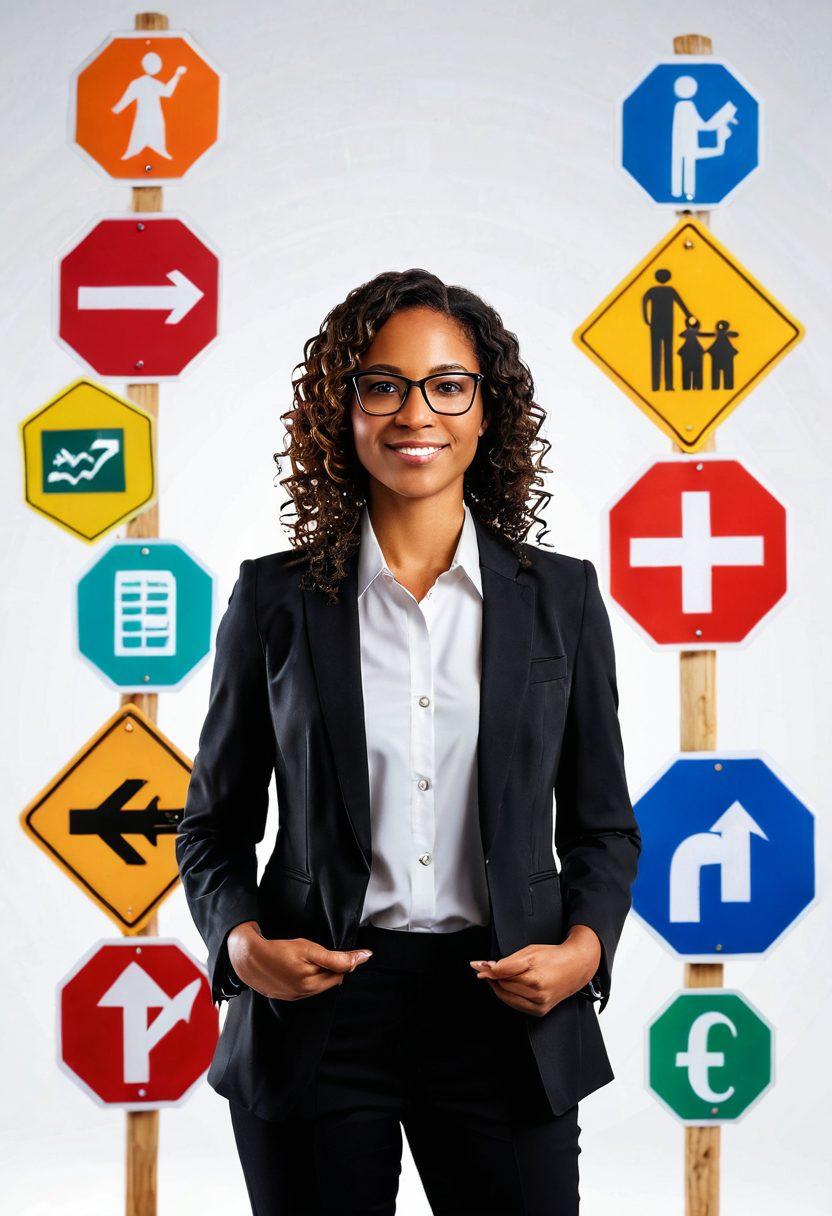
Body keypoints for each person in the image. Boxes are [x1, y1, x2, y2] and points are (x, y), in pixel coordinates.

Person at [176, 269, 641, 1215]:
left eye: (447, 385)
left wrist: (585, 952)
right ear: (342, 413)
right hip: (318, 1016)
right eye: (382, 384)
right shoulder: (274, 601)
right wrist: (241, 944)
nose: (414, 412)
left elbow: (603, 827)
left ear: (484, 411)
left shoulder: (562, 599)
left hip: (507, 1012)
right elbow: (212, 826)